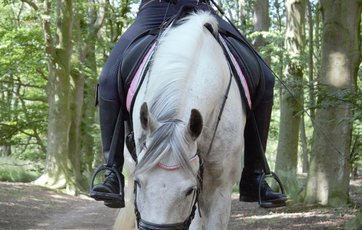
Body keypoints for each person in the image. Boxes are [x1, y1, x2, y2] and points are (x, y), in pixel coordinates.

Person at [90, 0, 287, 209]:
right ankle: (112, 170)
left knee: (265, 78)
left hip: (200, 8)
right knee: (108, 79)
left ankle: (254, 176)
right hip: (155, 10)